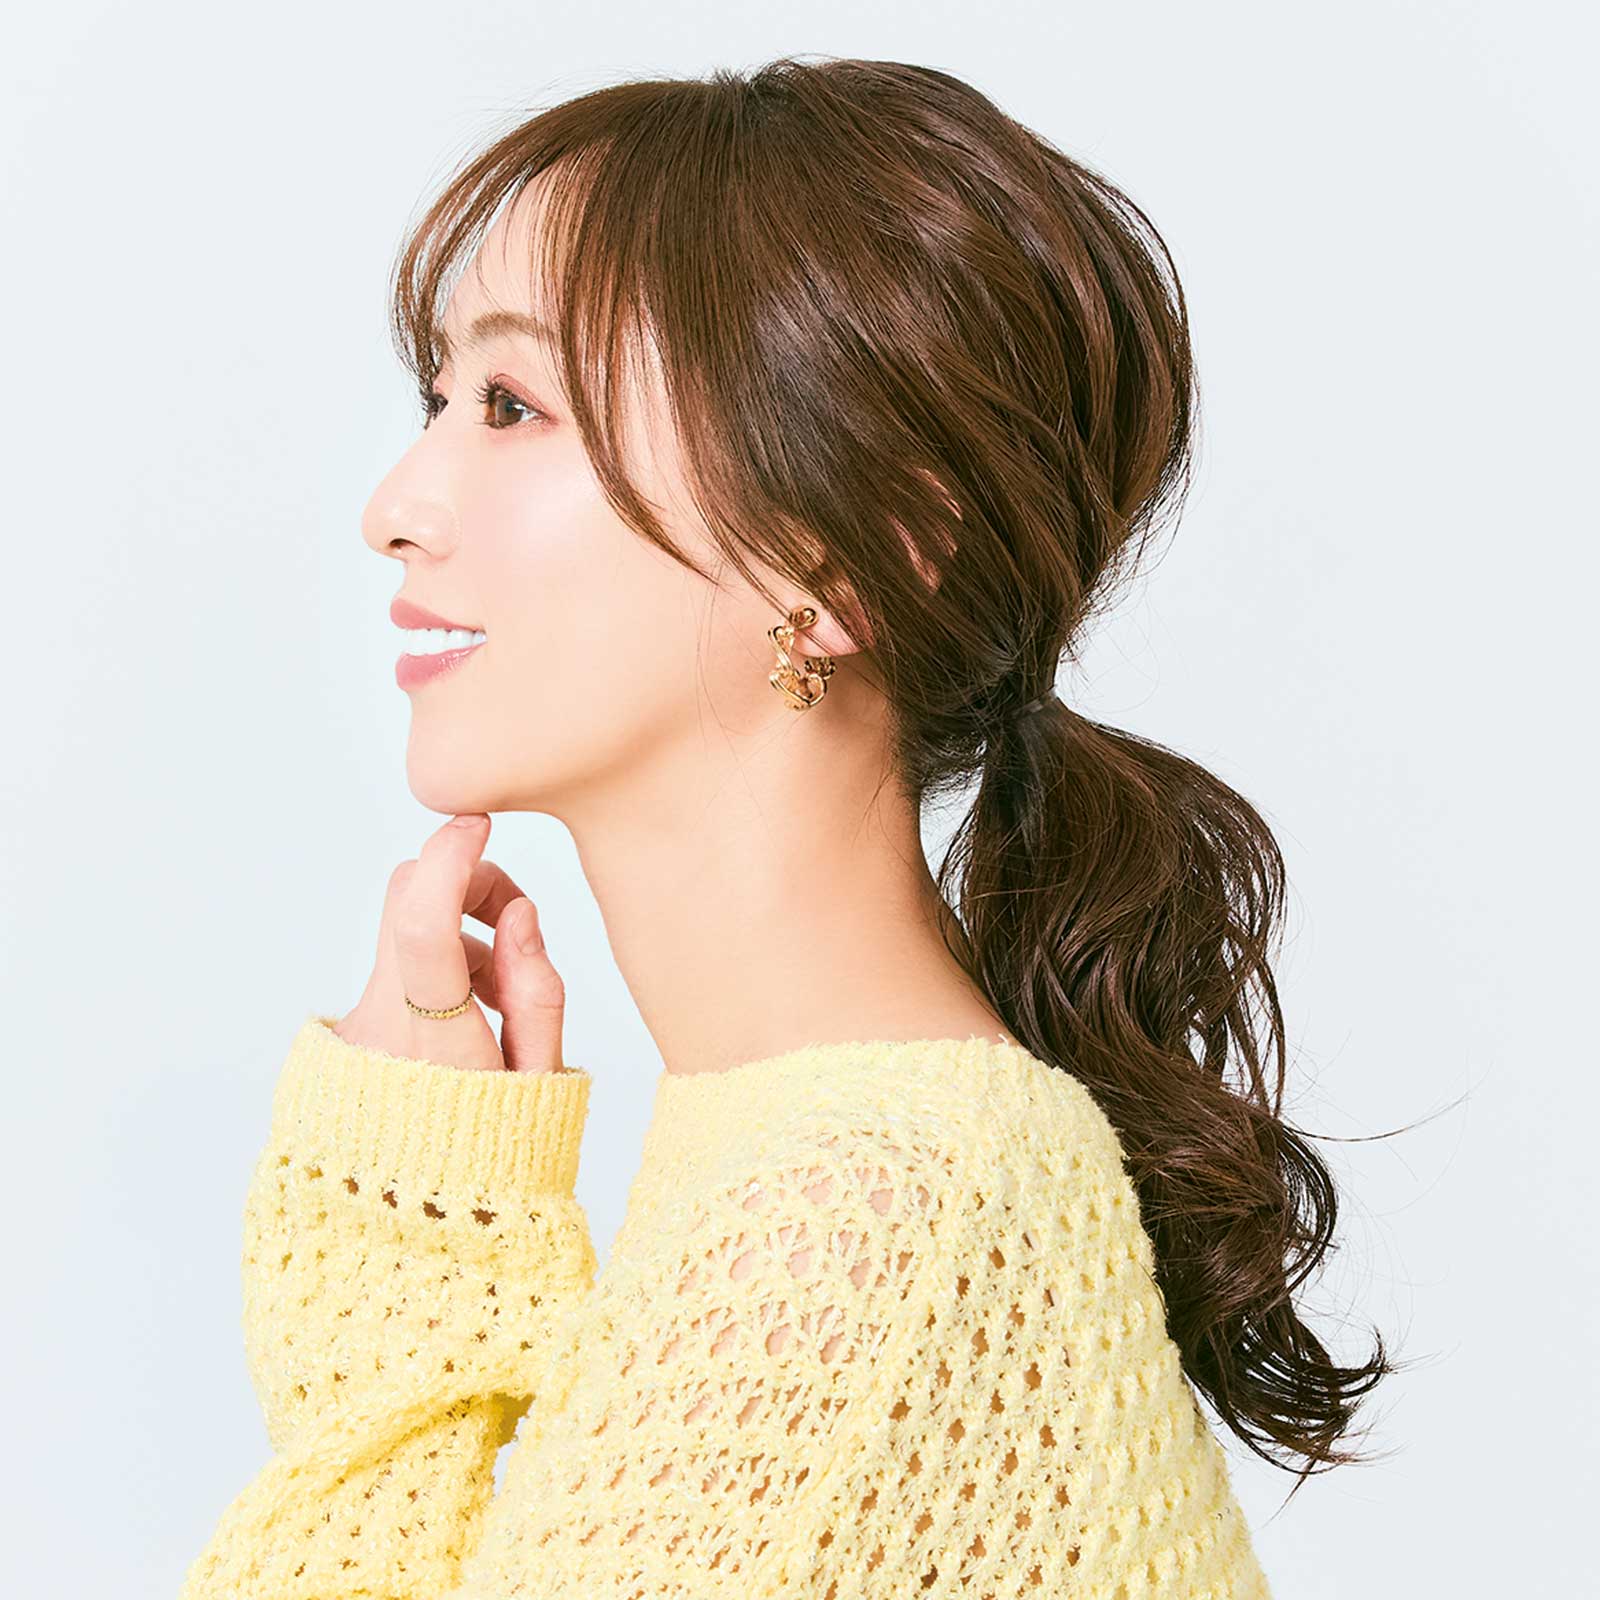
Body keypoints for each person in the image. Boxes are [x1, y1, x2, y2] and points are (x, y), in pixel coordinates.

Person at [179, 55, 1394, 1599]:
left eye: (513, 405)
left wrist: (414, 1235)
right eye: (439, 401)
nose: (395, 506)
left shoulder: (855, 1229)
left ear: (846, 559)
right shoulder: (850, 1167)